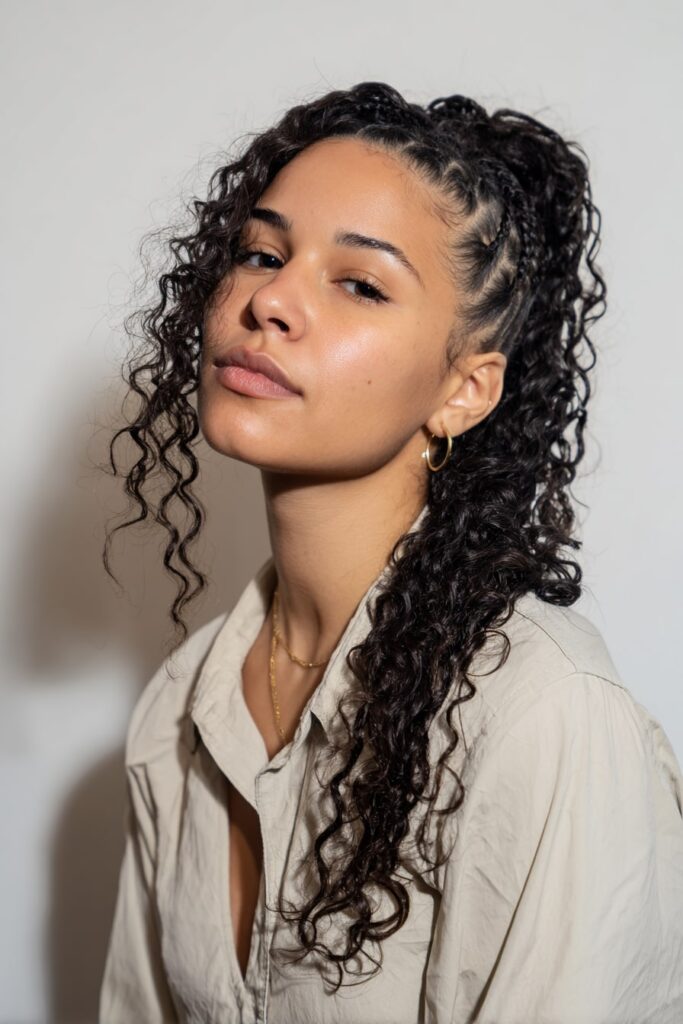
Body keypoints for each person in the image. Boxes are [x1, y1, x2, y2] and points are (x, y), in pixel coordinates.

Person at [97, 81, 683, 1023]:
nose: (271, 300)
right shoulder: (183, 703)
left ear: (462, 391)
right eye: (260, 252)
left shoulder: (542, 717)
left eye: (360, 283)